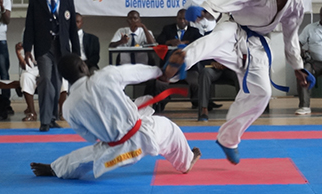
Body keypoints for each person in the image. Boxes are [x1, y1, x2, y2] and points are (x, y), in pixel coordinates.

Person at [181, 0, 308, 164]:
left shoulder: (295, 2)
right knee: (214, 39)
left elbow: (291, 35)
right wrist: (205, 10)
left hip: (257, 42)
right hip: (233, 26)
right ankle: (179, 63)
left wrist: (298, 66)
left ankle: (228, 139)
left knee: (263, 93)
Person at [29, 52, 201, 180]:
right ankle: (186, 162)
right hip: (143, 138)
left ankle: (54, 169)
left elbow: (91, 138)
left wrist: (109, 131)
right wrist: (160, 72)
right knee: (169, 129)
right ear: (83, 67)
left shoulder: (68, 107)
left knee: (81, 158)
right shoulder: (106, 75)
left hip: (114, 153)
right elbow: (136, 72)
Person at [23, 0, 80, 132]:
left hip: (62, 48)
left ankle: (53, 118)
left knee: (56, 82)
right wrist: (28, 49)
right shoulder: (35, 1)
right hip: (44, 47)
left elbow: (72, 30)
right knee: (46, 80)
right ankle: (45, 120)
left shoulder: (68, 1)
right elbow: (30, 27)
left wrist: (76, 53)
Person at [154, 9, 203, 110]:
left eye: (184, 19)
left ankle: (196, 103)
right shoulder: (168, 29)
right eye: (179, 18)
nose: (182, 21)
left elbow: (200, 42)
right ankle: (162, 102)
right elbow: (159, 41)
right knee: (160, 83)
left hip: (189, 68)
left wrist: (186, 42)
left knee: (196, 82)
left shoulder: (194, 31)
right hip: (170, 67)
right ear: (176, 19)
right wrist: (169, 42)